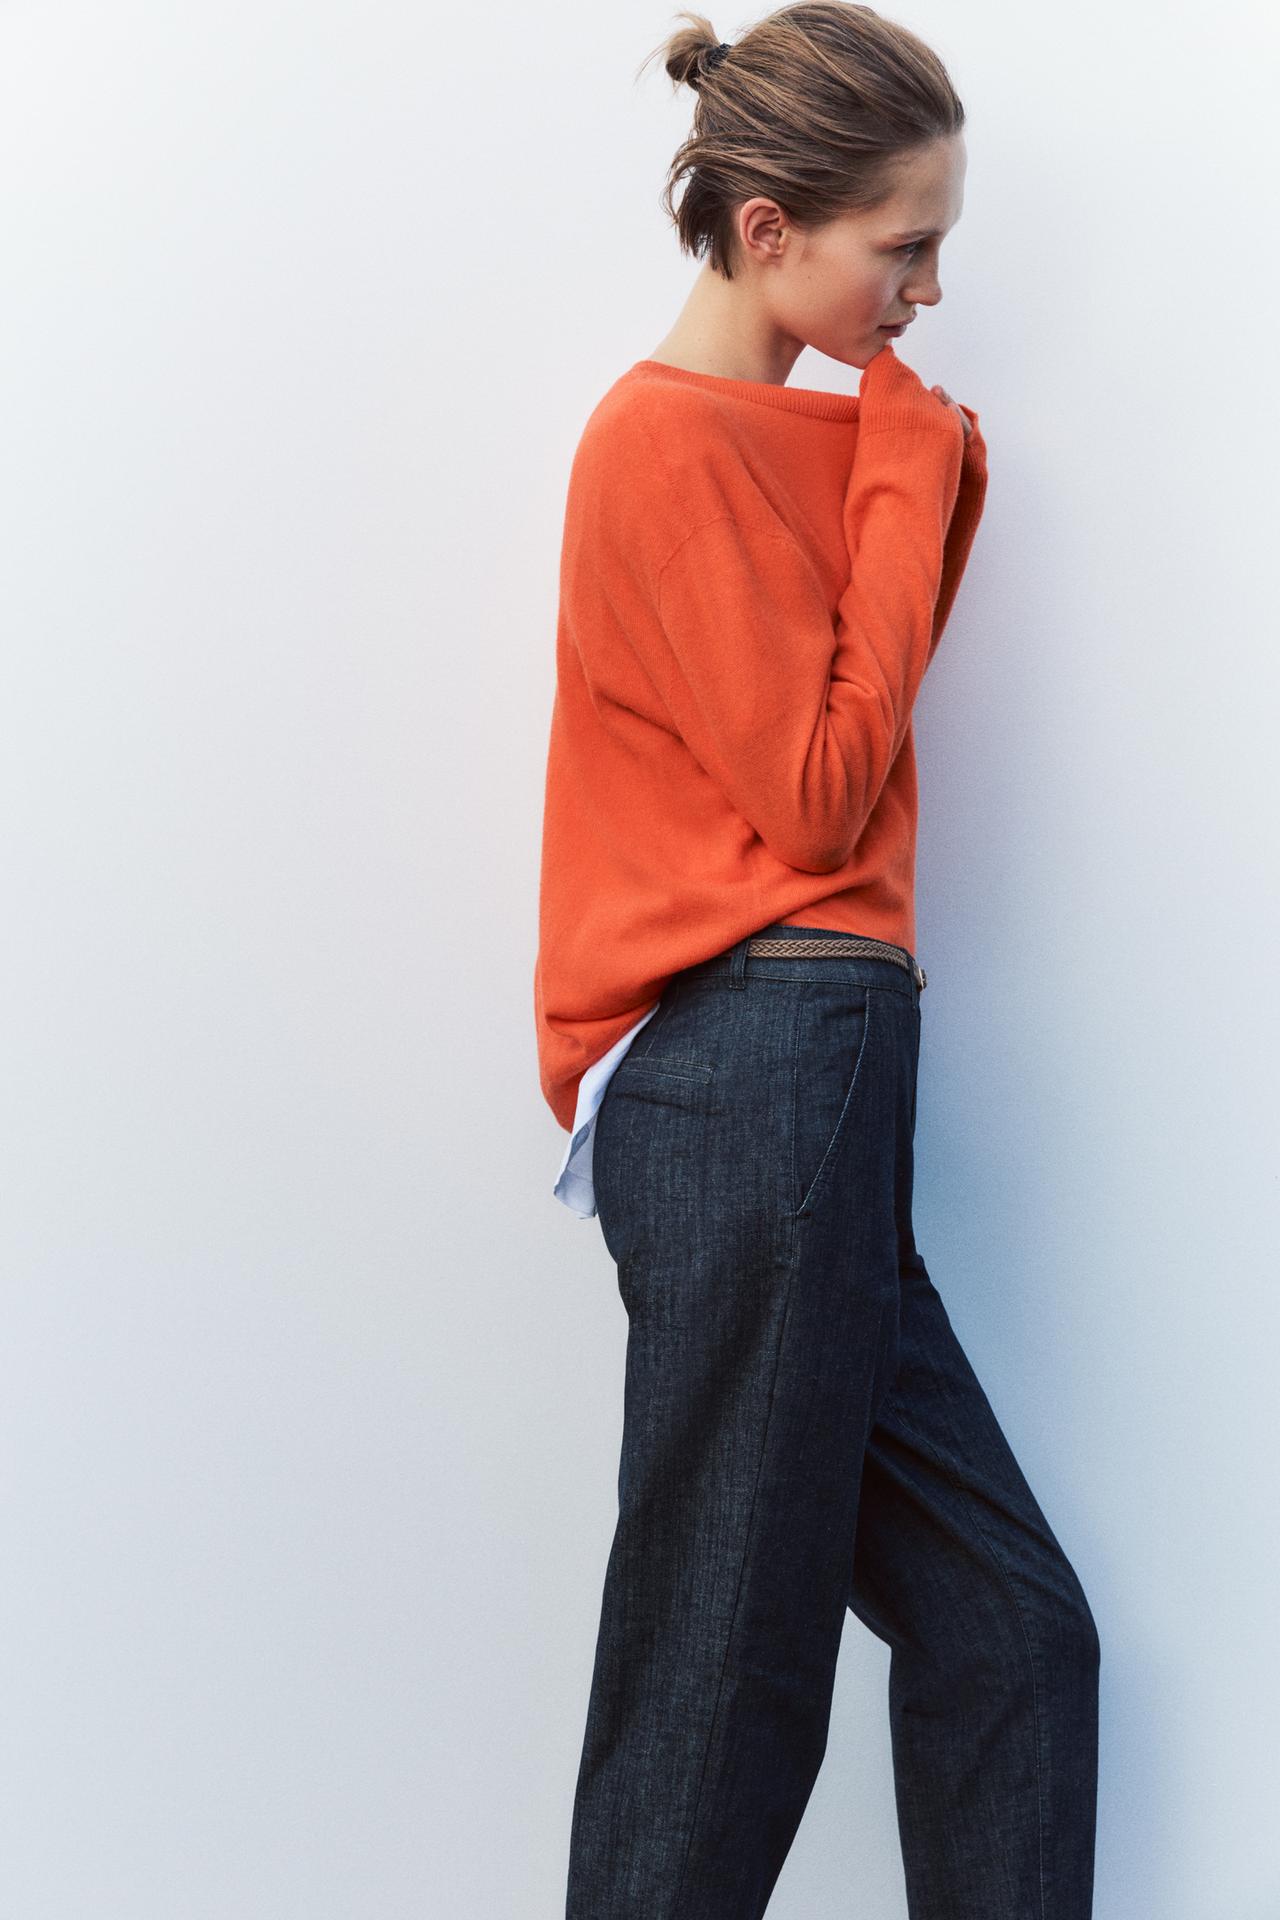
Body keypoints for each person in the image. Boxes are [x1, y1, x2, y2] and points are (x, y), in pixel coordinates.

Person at [533, 5, 1101, 1914]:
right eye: (903, 248)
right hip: (753, 1052)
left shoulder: (809, 434)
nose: (928, 292)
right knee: (724, 1665)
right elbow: (817, 793)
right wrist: (902, 468)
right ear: (769, 229)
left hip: (814, 1062)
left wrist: (902, 469)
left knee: (1012, 1634)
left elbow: (856, 702)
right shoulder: (664, 442)